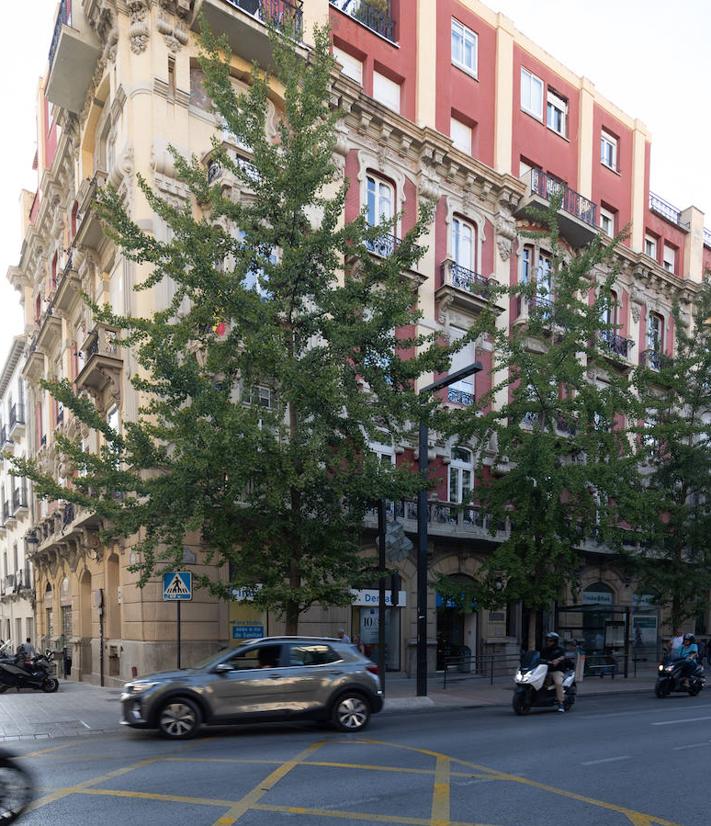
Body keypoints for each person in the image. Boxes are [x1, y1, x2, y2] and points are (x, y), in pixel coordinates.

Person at [540, 631, 568, 712]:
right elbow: (539, 657)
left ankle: (561, 703)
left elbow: (563, 656)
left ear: (555, 641)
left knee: (558, 683)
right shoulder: (544, 650)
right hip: (545, 670)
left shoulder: (560, 649)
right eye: (547, 640)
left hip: (557, 670)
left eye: (550, 640)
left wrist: (558, 660)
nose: (548, 642)